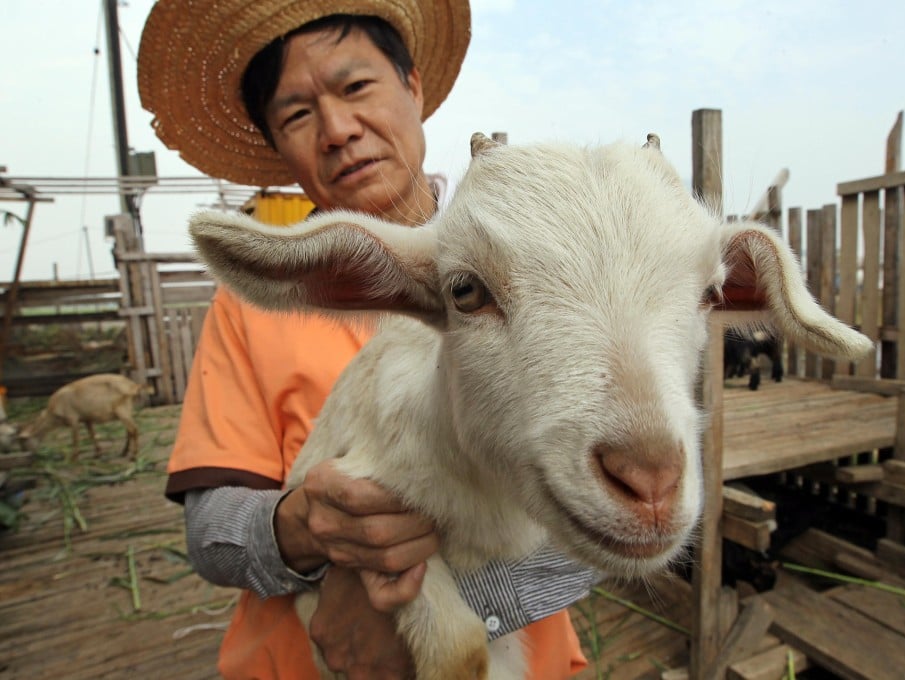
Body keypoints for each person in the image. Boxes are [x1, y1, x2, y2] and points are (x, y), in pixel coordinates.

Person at [136, 1, 598, 678]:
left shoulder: (537, 268)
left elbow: (620, 503)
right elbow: (211, 534)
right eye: (296, 114)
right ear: (275, 143)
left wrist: (436, 621)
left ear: (412, 86)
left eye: (356, 88)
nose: (337, 129)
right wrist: (302, 523)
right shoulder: (250, 303)